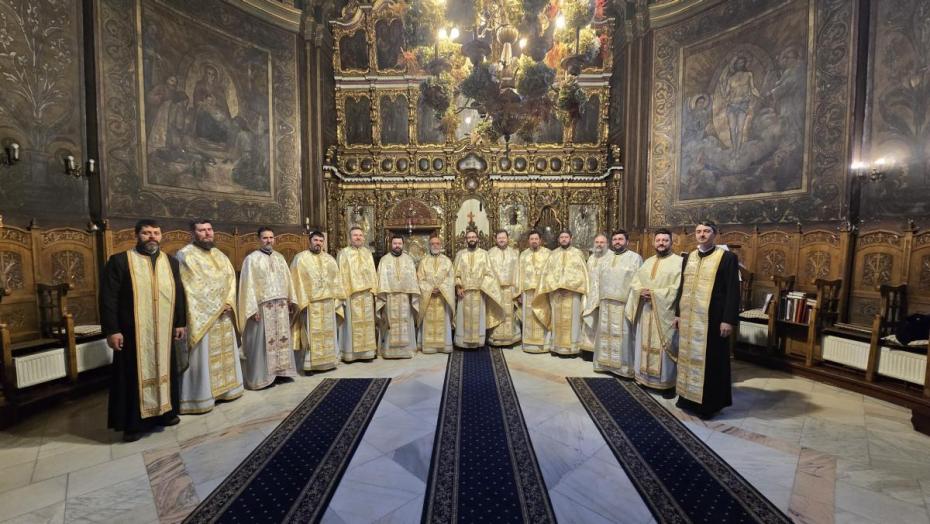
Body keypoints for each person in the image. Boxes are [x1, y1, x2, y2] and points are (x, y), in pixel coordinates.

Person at [101, 219, 187, 442]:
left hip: (163, 329)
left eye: (156, 233)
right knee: (131, 376)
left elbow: (178, 293)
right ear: (137, 235)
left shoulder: (171, 262)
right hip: (132, 333)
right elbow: (108, 297)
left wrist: (180, 322)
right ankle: (133, 424)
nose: (152, 237)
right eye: (147, 233)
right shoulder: (120, 261)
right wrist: (112, 330)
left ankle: (165, 413)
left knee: (165, 369)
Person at [175, 219, 243, 414]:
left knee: (225, 354)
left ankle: (228, 390)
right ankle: (201, 397)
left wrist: (228, 302)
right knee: (202, 358)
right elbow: (191, 287)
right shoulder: (185, 255)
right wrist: (216, 307)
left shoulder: (219, 254)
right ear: (193, 233)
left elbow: (230, 279)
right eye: (202, 230)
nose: (207, 233)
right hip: (203, 318)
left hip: (224, 315)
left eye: (209, 229)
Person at [673, 220, 740, 418]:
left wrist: (728, 320)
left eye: (706, 231)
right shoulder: (689, 257)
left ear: (715, 234)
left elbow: (733, 291)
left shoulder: (727, 257)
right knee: (687, 358)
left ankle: (709, 405)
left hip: (713, 319)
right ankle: (687, 398)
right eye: (698, 231)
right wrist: (678, 313)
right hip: (689, 318)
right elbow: (682, 286)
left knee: (711, 361)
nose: (702, 234)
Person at [238, 227, 298, 390]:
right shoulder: (251, 259)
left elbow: (287, 279)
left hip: (281, 305)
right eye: (265, 238)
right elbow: (247, 285)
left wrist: (290, 299)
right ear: (259, 239)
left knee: (282, 340)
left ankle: (281, 373)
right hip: (263, 307)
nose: (269, 240)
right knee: (263, 343)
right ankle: (263, 377)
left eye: (271, 237)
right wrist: (252, 308)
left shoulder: (279, 258)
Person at [626, 229, 682, 394]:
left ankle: (666, 383)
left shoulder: (679, 262)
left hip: (665, 313)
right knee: (644, 344)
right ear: (653, 242)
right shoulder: (648, 262)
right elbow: (635, 282)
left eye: (665, 240)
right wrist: (639, 291)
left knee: (665, 347)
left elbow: (677, 288)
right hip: (645, 311)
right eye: (658, 240)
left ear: (671, 242)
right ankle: (644, 378)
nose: (661, 243)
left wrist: (655, 294)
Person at [290, 231, 346, 372]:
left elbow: (336, 280)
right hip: (311, 304)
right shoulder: (300, 258)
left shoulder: (330, 259)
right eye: (315, 240)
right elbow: (296, 281)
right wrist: (302, 301)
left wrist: (336, 298)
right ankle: (310, 365)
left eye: (321, 241)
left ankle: (329, 362)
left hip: (328, 303)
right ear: (310, 241)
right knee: (312, 334)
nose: (318, 243)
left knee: (328, 333)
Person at [590, 230, 642, 376]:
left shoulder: (635, 258)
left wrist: (632, 303)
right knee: (605, 334)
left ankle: (623, 369)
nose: (617, 242)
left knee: (623, 336)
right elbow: (597, 281)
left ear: (627, 241)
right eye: (615, 239)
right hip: (605, 304)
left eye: (620, 239)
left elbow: (638, 281)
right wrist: (596, 301)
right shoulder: (606, 258)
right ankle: (604, 365)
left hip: (623, 304)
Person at [532, 230, 590, 356]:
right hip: (556, 293)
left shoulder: (578, 254)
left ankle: (573, 349)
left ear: (571, 238)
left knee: (573, 321)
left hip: (573, 293)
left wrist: (568, 286)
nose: (564, 239)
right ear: (559, 240)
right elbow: (547, 274)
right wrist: (557, 286)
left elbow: (582, 274)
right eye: (561, 237)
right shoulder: (553, 255)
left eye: (566, 237)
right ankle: (556, 347)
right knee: (556, 320)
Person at [453, 229, 503, 348]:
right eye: (469, 237)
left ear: (477, 239)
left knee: (479, 317)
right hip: (463, 293)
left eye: (473, 237)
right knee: (462, 317)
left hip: (479, 293)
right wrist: (458, 287)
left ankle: (479, 341)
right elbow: (455, 273)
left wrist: (483, 286)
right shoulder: (460, 254)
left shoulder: (484, 254)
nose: (471, 239)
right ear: (466, 240)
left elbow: (489, 274)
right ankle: (462, 342)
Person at [337, 226, 378, 361]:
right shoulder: (343, 253)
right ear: (350, 238)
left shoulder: (367, 253)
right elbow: (340, 275)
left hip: (366, 295)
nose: (358, 237)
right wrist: (343, 294)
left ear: (363, 237)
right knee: (351, 325)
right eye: (355, 235)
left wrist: (374, 291)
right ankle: (351, 354)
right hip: (351, 295)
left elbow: (372, 272)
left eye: (360, 235)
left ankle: (367, 353)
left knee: (367, 324)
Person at [376, 235, 420, 358]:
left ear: (403, 245)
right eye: (395, 243)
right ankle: (388, 351)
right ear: (391, 244)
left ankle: (407, 350)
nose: (397, 246)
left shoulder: (408, 260)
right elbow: (381, 278)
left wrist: (412, 294)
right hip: (389, 297)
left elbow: (413, 279)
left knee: (406, 322)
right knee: (389, 322)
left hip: (405, 297)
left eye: (399, 243)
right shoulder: (384, 260)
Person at [417, 235, 455, 354]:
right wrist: (429, 288)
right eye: (432, 244)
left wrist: (441, 288)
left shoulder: (447, 261)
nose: (435, 246)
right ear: (429, 246)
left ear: (441, 245)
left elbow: (451, 279)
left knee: (443, 321)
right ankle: (428, 347)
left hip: (443, 297)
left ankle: (444, 346)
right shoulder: (423, 261)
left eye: (437, 243)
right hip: (428, 297)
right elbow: (420, 279)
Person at [516, 230, 550, 353]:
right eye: (532, 239)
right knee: (528, 318)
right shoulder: (523, 255)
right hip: (527, 292)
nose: (534, 241)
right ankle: (528, 344)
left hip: (542, 292)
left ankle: (544, 344)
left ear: (540, 240)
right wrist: (519, 292)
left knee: (542, 315)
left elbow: (551, 273)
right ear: (528, 241)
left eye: (536, 239)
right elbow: (519, 274)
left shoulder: (548, 254)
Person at [487, 229, 521, 347]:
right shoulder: (490, 253)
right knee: (495, 312)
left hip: (510, 289)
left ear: (507, 239)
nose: (501, 240)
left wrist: (517, 291)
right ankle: (495, 337)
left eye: (503, 238)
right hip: (495, 289)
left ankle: (510, 339)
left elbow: (518, 272)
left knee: (509, 313)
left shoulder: (514, 253)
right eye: (499, 238)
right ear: (495, 239)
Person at [580, 233, 610, 354]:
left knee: (602, 324)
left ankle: (600, 351)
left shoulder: (611, 257)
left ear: (607, 244)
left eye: (602, 242)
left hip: (604, 297)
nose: (599, 245)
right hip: (590, 296)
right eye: (597, 242)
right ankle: (588, 350)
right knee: (590, 322)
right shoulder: (591, 258)